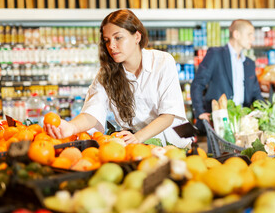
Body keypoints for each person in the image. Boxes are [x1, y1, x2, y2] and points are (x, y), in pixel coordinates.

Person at [45, 9, 191, 148]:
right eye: (107, 40)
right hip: (140, 146)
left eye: (118, 38)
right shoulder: (106, 74)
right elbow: (93, 111)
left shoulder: (163, 61)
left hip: (178, 142)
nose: (111, 46)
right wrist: (71, 127)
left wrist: (138, 137)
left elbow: (168, 115)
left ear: (137, 37)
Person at [191, 19, 263, 133]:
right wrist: (199, 111)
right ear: (236, 34)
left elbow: (256, 93)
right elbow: (197, 84)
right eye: (250, 34)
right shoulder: (215, 54)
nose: (253, 38)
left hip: (243, 124)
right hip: (219, 123)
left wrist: (263, 112)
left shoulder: (249, 63)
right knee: (218, 151)